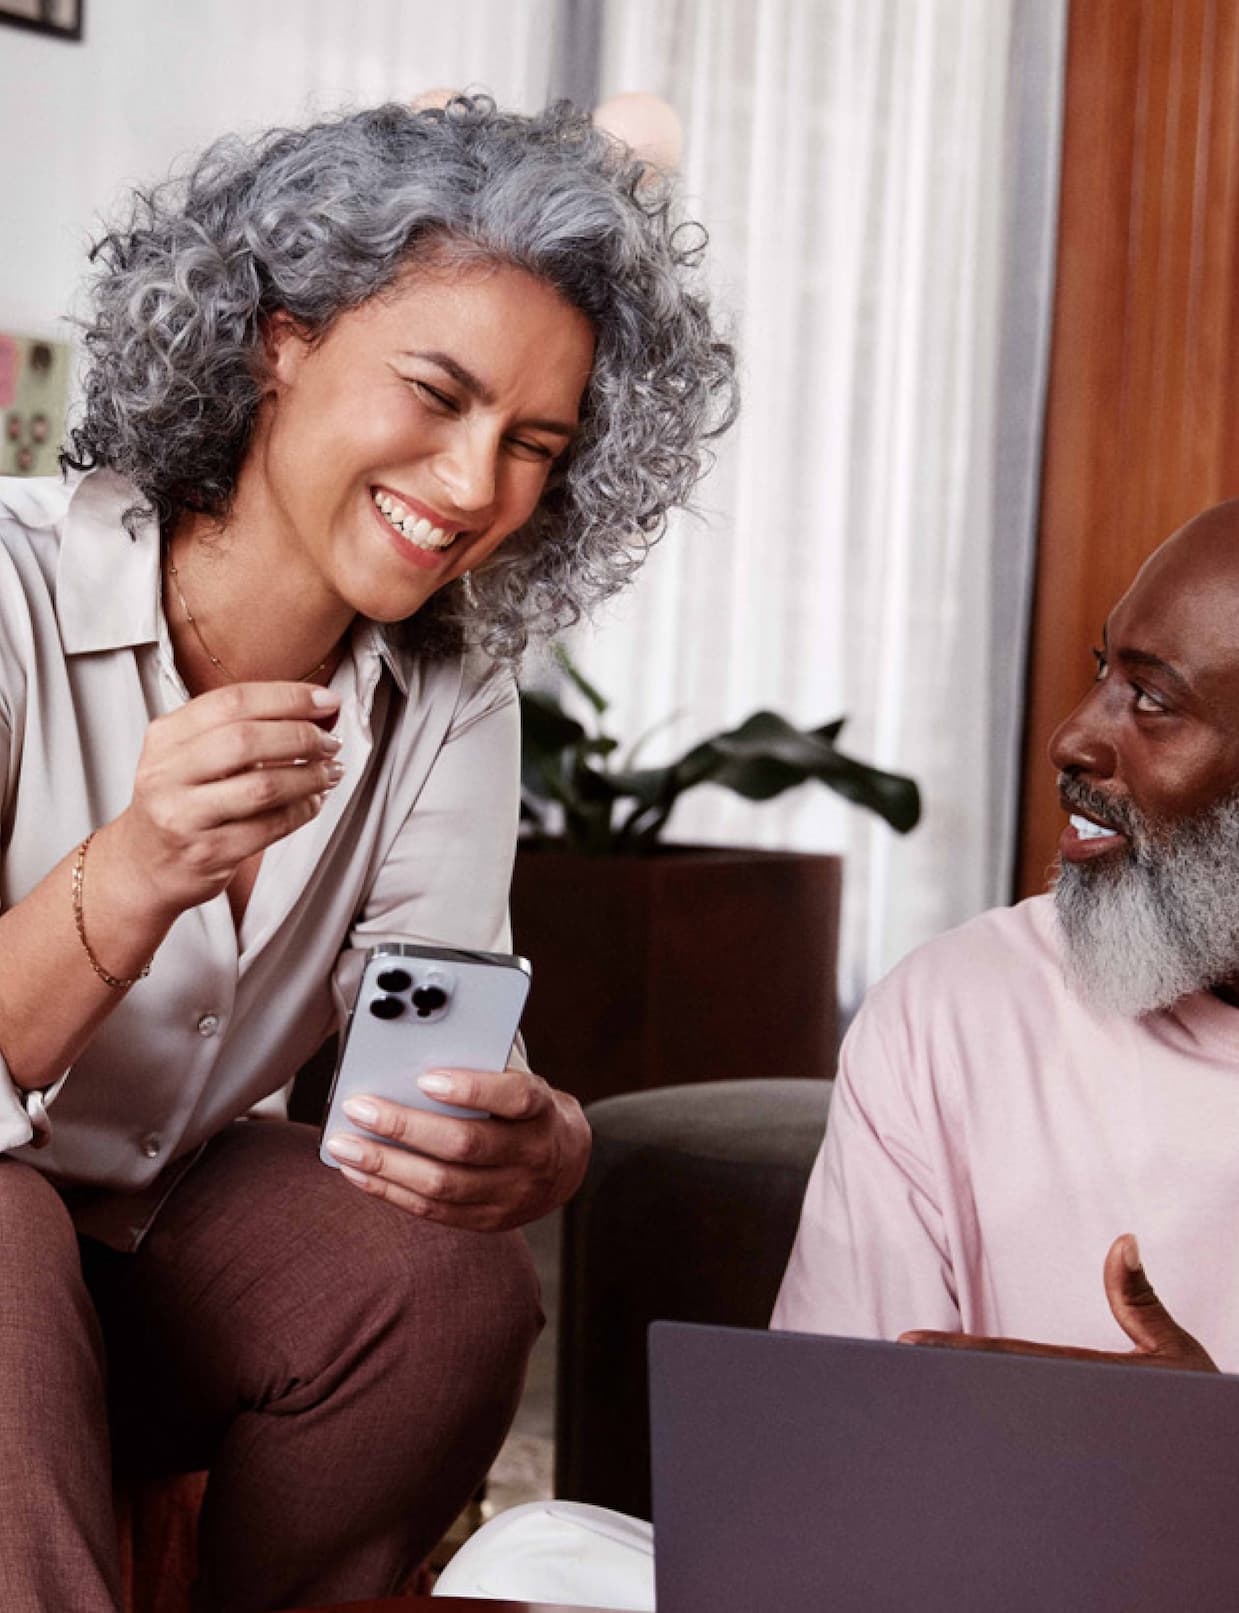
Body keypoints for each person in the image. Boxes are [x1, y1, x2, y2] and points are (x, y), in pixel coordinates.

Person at [0, 94, 735, 1613]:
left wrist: (538, 1141)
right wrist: (132, 868)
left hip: (154, 1261)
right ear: (280, 337)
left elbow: (420, 1076)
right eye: (436, 393)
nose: (474, 489)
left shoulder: (447, 691)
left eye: (534, 443)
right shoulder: (13, 591)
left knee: (437, 1280)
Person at [773, 485, 1239, 1610]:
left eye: (1153, 701)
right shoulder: (961, 1005)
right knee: (538, 1550)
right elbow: (818, 1487)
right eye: (1103, 670)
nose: (1075, 737)